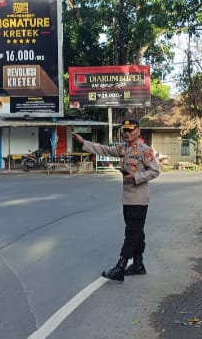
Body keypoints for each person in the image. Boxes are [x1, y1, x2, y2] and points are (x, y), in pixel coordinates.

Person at [72, 119, 161, 282]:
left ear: (138, 131)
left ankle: (120, 266)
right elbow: (104, 149)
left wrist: (136, 176)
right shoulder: (123, 148)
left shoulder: (145, 150)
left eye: (130, 130)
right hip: (127, 198)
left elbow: (155, 171)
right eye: (124, 131)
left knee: (131, 233)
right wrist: (84, 142)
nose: (126, 133)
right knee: (137, 232)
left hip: (139, 199)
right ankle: (138, 265)